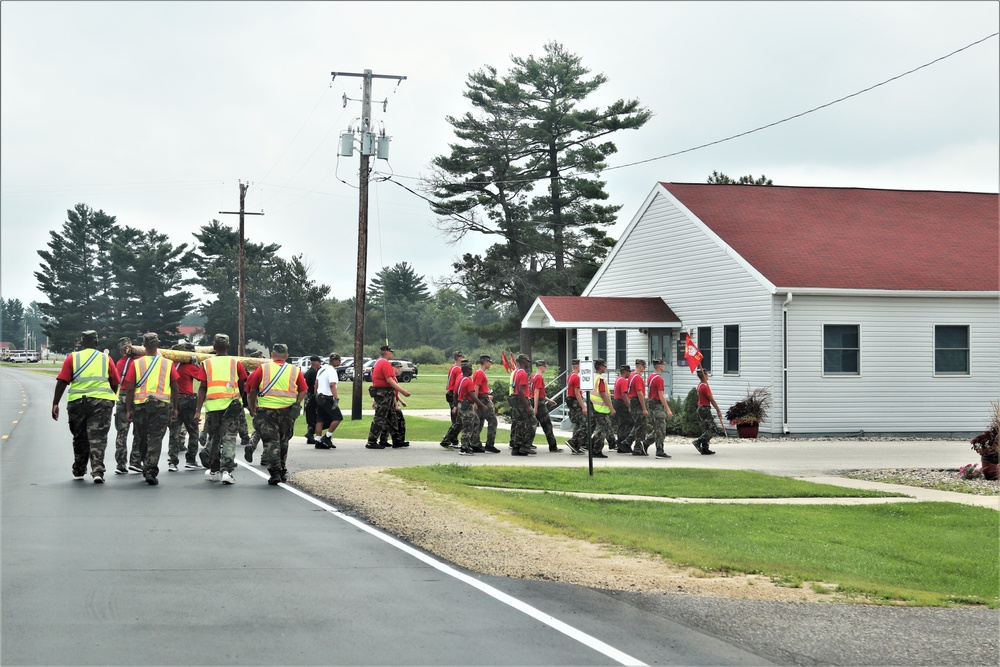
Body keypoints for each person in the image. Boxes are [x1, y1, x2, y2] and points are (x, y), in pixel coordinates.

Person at [51, 330, 121, 483]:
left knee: (79, 436)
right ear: (96, 343)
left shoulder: (72, 358)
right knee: (98, 437)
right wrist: (111, 398)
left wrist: (55, 403)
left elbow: (62, 381)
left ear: (81, 343)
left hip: (78, 403)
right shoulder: (105, 358)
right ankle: (97, 471)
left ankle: (79, 469)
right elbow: (114, 382)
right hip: (101, 402)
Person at [123, 332, 179, 485]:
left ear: (143, 346)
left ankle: (147, 465)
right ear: (157, 344)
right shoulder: (168, 363)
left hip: (140, 406)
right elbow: (175, 387)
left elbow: (129, 388)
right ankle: (150, 468)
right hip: (161, 406)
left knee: (142, 437)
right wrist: (175, 408)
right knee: (155, 438)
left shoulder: (136, 363)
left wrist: (128, 410)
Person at [247, 343, 307, 485]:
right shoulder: (295, 370)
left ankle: (275, 472)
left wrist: (252, 406)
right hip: (287, 411)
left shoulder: (263, 368)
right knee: (283, 441)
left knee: (271, 442)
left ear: (272, 355)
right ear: (286, 356)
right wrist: (297, 403)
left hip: (267, 411)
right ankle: (282, 471)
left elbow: (252, 390)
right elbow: (303, 390)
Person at [196, 334, 248, 484]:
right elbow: (242, 384)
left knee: (214, 439)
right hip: (232, 405)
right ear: (228, 347)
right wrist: (240, 399)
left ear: (213, 348)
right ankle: (227, 471)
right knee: (229, 438)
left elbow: (202, 388)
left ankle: (214, 471)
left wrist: (198, 410)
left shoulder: (206, 364)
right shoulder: (235, 363)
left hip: (213, 407)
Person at [166, 343, 205, 472]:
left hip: (173, 399)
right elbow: (201, 377)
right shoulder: (188, 366)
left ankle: (172, 461)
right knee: (193, 431)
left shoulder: (170, 366)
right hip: (188, 400)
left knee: (174, 432)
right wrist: (196, 364)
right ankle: (191, 460)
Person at [366, 345, 411, 450]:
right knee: (380, 417)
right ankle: (371, 441)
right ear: (386, 352)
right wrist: (402, 391)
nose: (392, 354)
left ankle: (397, 440)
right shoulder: (385, 363)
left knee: (392, 417)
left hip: (383, 393)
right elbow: (390, 380)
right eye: (391, 352)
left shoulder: (377, 362)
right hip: (384, 393)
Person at [112, 336, 139, 474]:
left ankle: (121, 464)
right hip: (137, 397)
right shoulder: (138, 361)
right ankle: (135, 461)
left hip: (122, 397)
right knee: (138, 432)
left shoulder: (119, 363)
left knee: (122, 433)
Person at [453, 362, 487, 455]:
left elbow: (455, 394)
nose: (472, 370)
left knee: (476, 422)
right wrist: (482, 405)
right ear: (467, 370)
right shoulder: (468, 381)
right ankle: (464, 448)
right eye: (470, 369)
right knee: (467, 427)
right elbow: (473, 396)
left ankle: (472, 442)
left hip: (461, 404)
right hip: (466, 406)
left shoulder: (460, 379)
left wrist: (455, 405)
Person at [646, 358, 675, 459]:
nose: (664, 366)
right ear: (659, 366)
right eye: (663, 364)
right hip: (658, 405)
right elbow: (661, 395)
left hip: (651, 404)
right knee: (661, 430)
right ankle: (659, 451)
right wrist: (668, 409)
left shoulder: (650, 377)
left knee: (657, 429)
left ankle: (645, 443)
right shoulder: (659, 379)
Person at [508, 354, 537, 456]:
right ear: (523, 362)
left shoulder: (516, 372)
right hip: (522, 400)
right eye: (527, 361)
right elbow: (520, 391)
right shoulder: (523, 373)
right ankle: (525, 446)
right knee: (532, 423)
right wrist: (527, 406)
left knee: (520, 425)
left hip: (516, 401)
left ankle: (517, 447)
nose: (529, 363)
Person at [531, 360, 562, 453]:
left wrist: (548, 400)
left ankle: (526, 444)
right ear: (541, 367)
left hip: (535, 400)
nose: (546, 368)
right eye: (545, 366)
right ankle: (553, 446)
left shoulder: (533, 376)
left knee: (532, 424)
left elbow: (539, 393)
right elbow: (536, 392)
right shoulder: (539, 378)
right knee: (547, 425)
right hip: (539, 404)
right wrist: (536, 407)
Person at [693, 367, 726, 455]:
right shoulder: (704, 387)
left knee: (706, 429)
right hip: (705, 409)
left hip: (700, 408)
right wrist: (718, 410)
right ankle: (698, 441)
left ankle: (705, 448)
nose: (708, 376)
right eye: (706, 374)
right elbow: (712, 400)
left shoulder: (700, 385)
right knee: (712, 429)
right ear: (704, 375)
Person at [314, 353, 343, 449]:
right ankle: (327, 436)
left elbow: (316, 383)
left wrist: (315, 395)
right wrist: (336, 397)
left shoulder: (322, 369)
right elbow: (332, 384)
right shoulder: (331, 371)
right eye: (339, 360)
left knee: (320, 419)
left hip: (319, 396)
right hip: (327, 397)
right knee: (338, 417)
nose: (340, 362)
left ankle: (318, 440)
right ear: (334, 361)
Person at [472, 354, 500, 453]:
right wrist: (475, 402)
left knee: (479, 422)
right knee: (493, 421)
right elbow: (476, 388)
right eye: (489, 362)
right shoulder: (480, 373)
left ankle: (474, 443)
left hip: (483, 398)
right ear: (485, 362)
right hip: (482, 400)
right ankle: (489, 444)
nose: (490, 364)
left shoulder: (478, 372)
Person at [589, 359, 615, 458]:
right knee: (601, 431)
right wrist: (611, 408)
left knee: (598, 429)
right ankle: (596, 450)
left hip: (593, 406)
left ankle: (591, 446)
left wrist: (610, 395)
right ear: (600, 367)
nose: (605, 368)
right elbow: (603, 394)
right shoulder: (600, 379)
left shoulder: (592, 377)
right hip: (601, 408)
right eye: (605, 366)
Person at [384, 360, 411, 448]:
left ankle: (384, 440)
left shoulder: (394, 378)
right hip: (391, 402)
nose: (398, 369)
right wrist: (396, 405)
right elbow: (392, 394)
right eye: (396, 368)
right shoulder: (392, 379)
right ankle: (398, 440)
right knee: (398, 422)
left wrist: (402, 401)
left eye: (399, 368)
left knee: (387, 422)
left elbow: (396, 393)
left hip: (392, 401)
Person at [628, 359, 651, 456]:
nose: (644, 369)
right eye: (644, 367)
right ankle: (638, 448)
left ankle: (629, 443)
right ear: (640, 366)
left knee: (637, 424)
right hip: (637, 402)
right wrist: (644, 408)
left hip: (632, 401)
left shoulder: (631, 376)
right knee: (641, 426)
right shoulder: (638, 378)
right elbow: (639, 393)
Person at [442, 350, 465, 447]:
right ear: (459, 358)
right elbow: (457, 385)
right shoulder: (458, 369)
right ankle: (449, 438)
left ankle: (452, 439)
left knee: (456, 419)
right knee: (457, 419)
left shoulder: (452, 367)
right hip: (453, 394)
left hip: (450, 393)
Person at [302, 356, 323, 445]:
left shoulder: (308, 372)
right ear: (316, 363)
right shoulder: (314, 373)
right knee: (315, 416)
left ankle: (310, 437)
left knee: (310, 417)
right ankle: (310, 433)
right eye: (319, 362)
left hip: (308, 397)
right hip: (312, 397)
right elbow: (315, 385)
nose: (320, 364)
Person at [613, 365, 633, 453]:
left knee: (621, 424)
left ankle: (620, 445)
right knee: (626, 424)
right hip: (622, 403)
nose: (630, 373)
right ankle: (623, 444)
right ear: (625, 371)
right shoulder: (624, 381)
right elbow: (624, 395)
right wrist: (629, 406)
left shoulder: (618, 379)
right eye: (629, 371)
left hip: (616, 402)